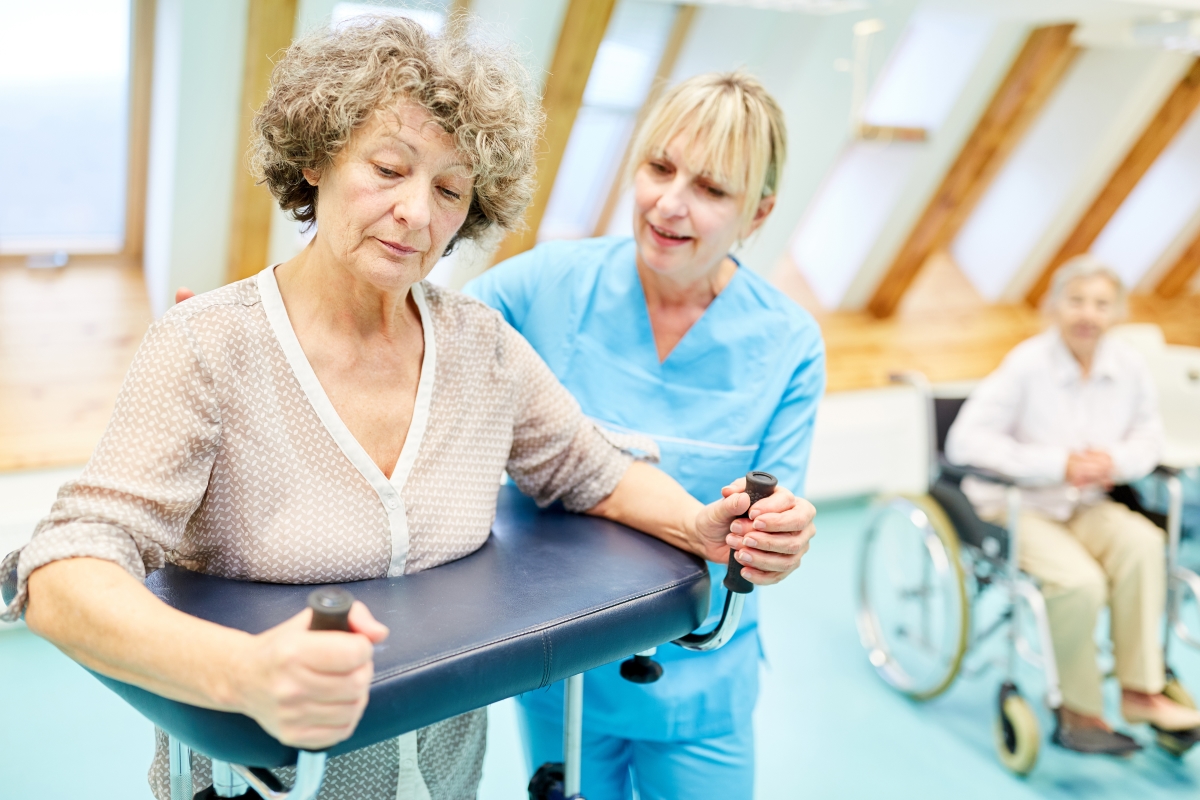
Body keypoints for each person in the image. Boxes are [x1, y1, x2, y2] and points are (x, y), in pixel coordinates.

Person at [1, 19, 818, 800]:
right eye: (388, 170)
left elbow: (587, 468)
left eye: (451, 189)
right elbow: (64, 569)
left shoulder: (483, 349)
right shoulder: (208, 347)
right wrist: (244, 673)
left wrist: (696, 526)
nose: (417, 215)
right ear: (317, 158)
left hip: (446, 780)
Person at [465, 71, 825, 800]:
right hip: (560, 667)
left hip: (700, 678)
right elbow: (411, 340)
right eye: (659, 167)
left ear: (759, 213)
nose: (670, 202)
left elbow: (776, 522)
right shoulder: (543, 285)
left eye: (712, 189)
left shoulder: (788, 343)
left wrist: (778, 539)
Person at [946, 254, 1200, 755]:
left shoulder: (1126, 365)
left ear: (1117, 312)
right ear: (1055, 306)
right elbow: (965, 442)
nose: (1088, 314)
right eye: (1077, 301)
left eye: (1101, 304)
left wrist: (1116, 461)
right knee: (1079, 582)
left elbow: (1148, 435)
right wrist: (1056, 464)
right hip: (1020, 503)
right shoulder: (1027, 364)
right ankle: (1079, 709)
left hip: (1085, 501)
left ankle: (1140, 690)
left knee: (1145, 546)